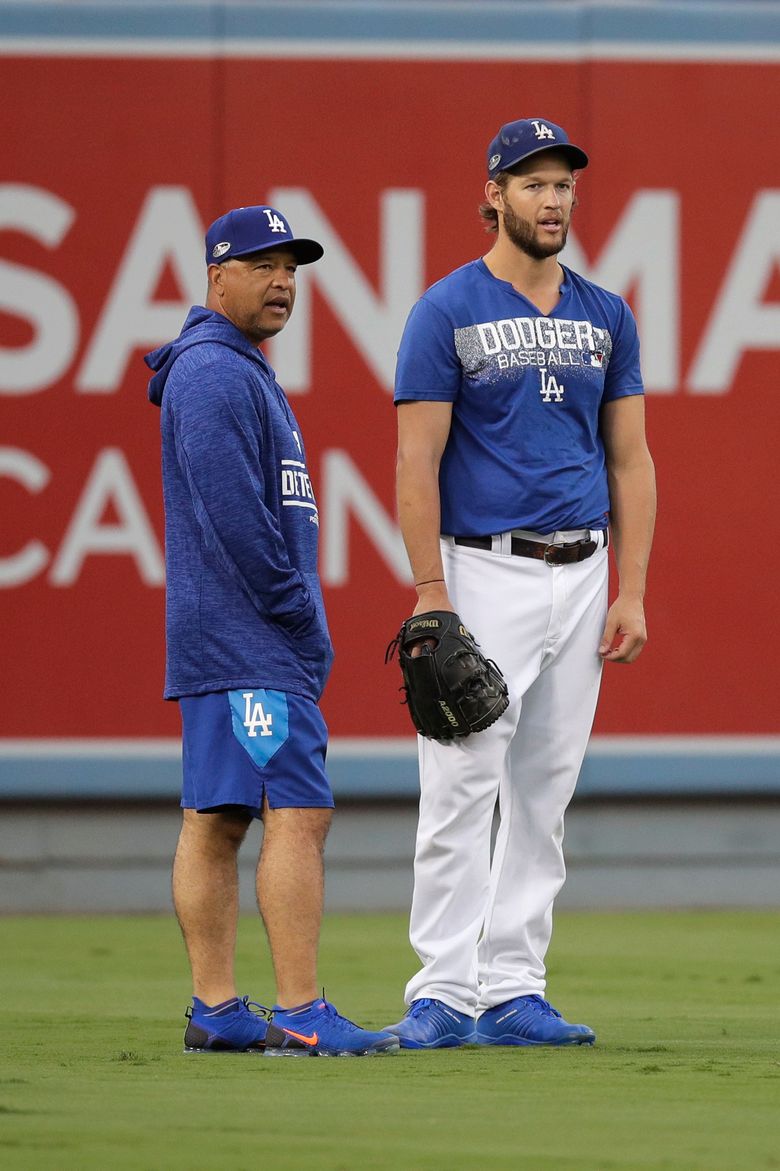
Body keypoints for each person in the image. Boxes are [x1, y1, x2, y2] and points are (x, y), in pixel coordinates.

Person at [384, 118, 656, 1049]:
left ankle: (512, 987)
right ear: (493, 193)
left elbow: (631, 459)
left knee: (543, 791)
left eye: (565, 185)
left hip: (582, 573)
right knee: (461, 784)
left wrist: (631, 588)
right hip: (482, 565)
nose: (554, 200)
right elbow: (415, 462)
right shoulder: (446, 309)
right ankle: (442, 990)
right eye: (533, 183)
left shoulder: (605, 313)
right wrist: (430, 587)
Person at [145, 205, 398, 1057]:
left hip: (227, 639)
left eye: (292, 267)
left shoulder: (231, 368)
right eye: (263, 264)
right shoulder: (215, 373)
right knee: (298, 810)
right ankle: (298, 1009)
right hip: (249, 639)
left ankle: (218, 1008)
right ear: (217, 275)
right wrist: (297, 613)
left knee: (216, 816)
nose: (283, 280)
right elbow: (237, 519)